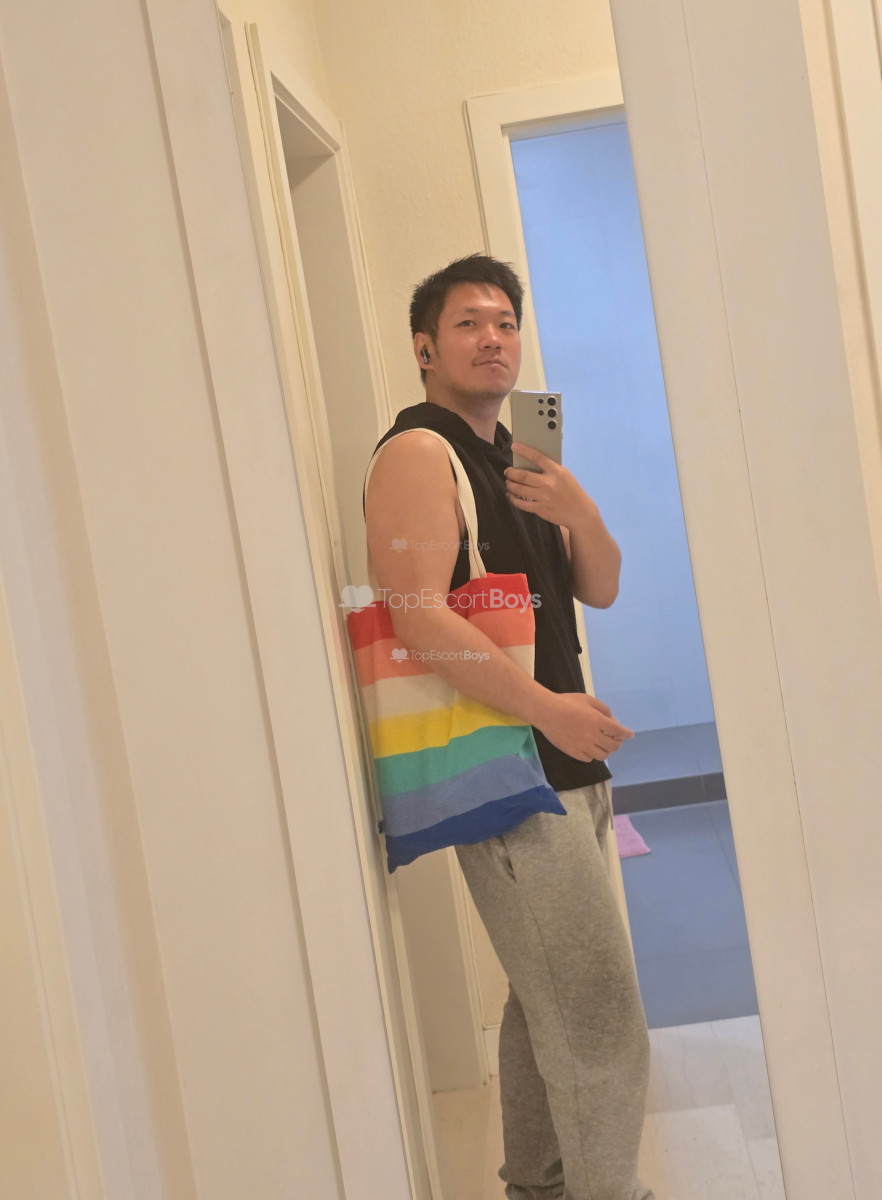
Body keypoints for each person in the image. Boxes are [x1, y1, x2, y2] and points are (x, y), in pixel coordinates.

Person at [365, 254, 654, 1200]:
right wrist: (547, 712)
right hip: (511, 769)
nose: (493, 339)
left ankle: (539, 1186)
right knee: (601, 1015)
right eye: (467, 324)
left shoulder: (521, 457)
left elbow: (599, 588)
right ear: (424, 348)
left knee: (549, 1004)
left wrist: (581, 510)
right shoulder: (420, 453)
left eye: (505, 323)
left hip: (563, 763)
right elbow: (414, 611)